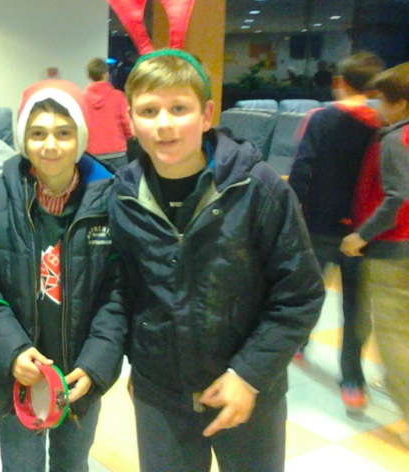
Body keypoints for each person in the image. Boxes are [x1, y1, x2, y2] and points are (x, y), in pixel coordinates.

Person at [109, 50, 325, 471]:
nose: (164, 124)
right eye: (149, 111)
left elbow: (300, 295)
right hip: (161, 395)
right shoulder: (123, 196)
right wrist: (140, 363)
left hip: (248, 391)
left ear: (207, 114)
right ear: (131, 120)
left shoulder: (258, 189)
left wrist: (248, 375)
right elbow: (123, 293)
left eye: (179, 108)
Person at [0, 79, 126, 472]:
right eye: (38, 133)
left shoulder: (112, 202)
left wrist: (95, 364)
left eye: (64, 133)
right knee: (20, 464)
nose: (50, 145)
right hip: (15, 374)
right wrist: (12, 351)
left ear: (81, 138)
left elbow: (118, 295)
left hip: (80, 371)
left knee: (73, 462)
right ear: (23, 138)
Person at [288, 52, 384, 411]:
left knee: (309, 292)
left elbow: (302, 170)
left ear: (339, 83)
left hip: (319, 225)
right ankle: (352, 380)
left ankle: (298, 343)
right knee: (356, 308)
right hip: (364, 232)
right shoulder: (381, 124)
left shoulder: (320, 119)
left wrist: (293, 216)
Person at [341, 63, 409, 449]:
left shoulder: (395, 140)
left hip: (394, 250)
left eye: (382, 100)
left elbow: (398, 198)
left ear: (401, 103)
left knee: (392, 337)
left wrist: (360, 236)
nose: (377, 108)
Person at [84, 57, 133, 171]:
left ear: (89, 76)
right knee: (121, 182)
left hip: (91, 154)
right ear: (106, 74)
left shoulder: (82, 99)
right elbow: (127, 124)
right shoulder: (118, 96)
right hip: (117, 152)